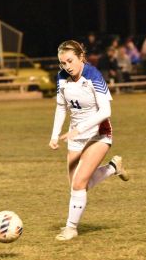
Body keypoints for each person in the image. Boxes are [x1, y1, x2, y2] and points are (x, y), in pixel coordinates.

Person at [49, 40, 129, 241]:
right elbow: (61, 107)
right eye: (63, 63)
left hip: (98, 133)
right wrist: (54, 134)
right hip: (75, 136)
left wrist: (80, 128)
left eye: (70, 61)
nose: (67, 66)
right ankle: (112, 168)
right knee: (77, 185)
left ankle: (71, 228)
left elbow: (106, 111)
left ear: (81, 57)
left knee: (78, 183)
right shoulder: (62, 77)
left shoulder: (93, 75)